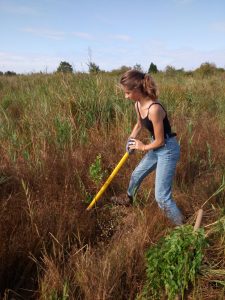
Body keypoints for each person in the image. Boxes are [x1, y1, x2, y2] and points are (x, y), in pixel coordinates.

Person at [113, 69, 183, 225]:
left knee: (162, 198)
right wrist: (130, 140)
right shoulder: (138, 105)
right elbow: (139, 124)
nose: (126, 96)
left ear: (137, 90)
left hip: (167, 150)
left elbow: (160, 142)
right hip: (156, 147)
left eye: (128, 92)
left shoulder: (154, 109)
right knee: (135, 175)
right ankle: (128, 200)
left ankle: (183, 229)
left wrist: (141, 146)